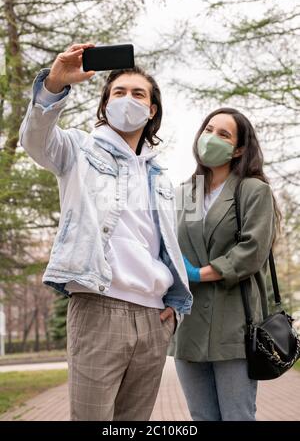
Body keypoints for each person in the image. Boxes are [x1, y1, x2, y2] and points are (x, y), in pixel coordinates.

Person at [19, 42, 192, 421]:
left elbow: (166, 247)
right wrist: (54, 84)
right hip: (99, 308)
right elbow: (35, 140)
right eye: (118, 92)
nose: (127, 99)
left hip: (153, 319)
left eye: (137, 93)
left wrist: (174, 311)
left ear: (152, 110)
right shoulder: (78, 149)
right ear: (105, 104)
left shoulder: (160, 175)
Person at [170, 107, 280, 421]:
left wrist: (199, 274)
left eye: (223, 134)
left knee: (237, 416)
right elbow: (178, 246)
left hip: (234, 325)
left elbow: (252, 250)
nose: (211, 138)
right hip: (189, 328)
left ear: (239, 149)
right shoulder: (186, 194)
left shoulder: (252, 190)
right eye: (208, 129)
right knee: (202, 416)